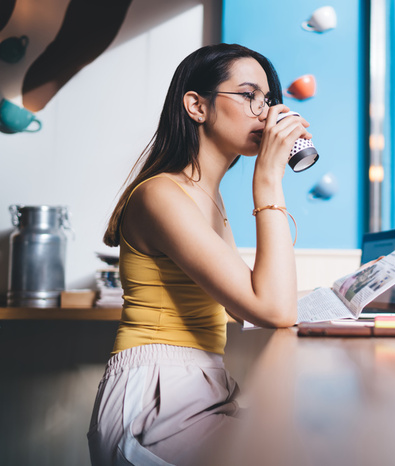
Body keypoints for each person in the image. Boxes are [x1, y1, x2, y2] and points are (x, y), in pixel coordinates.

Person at [87, 43, 310, 465]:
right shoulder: (161, 195)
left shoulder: (205, 197)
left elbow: (252, 301)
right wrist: (268, 181)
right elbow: (272, 309)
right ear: (196, 106)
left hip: (200, 385)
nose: (264, 112)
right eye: (249, 96)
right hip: (157, 394)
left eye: (268, 99)